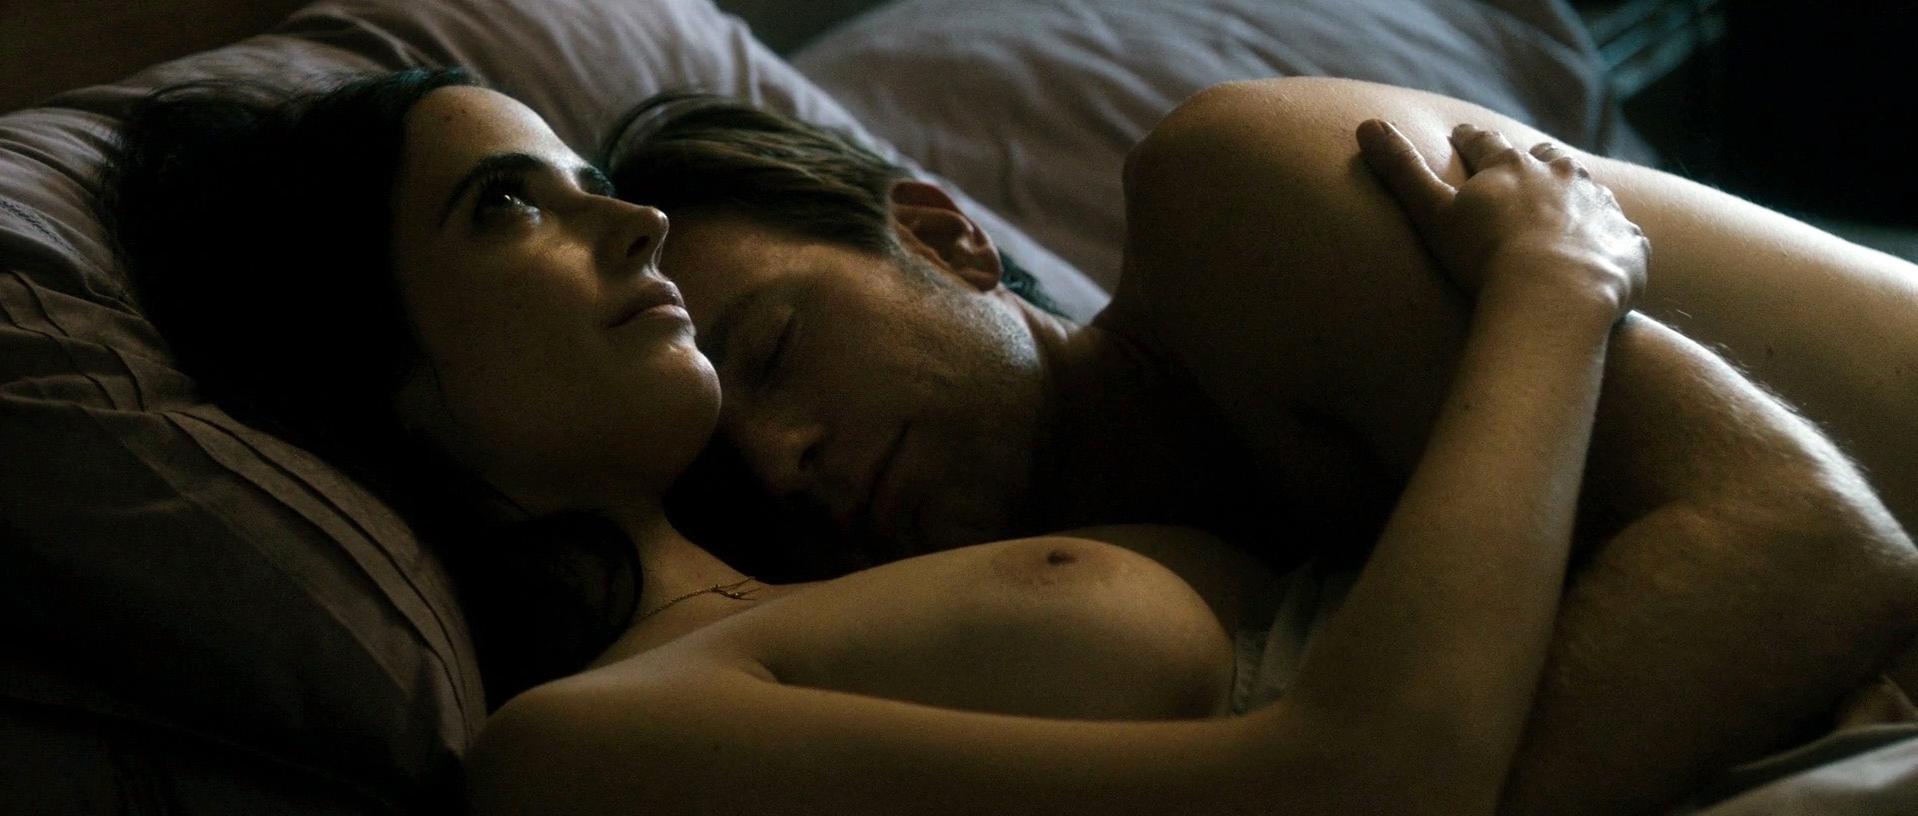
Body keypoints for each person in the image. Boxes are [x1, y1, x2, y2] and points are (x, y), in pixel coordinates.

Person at [106, 70, 1908, 816]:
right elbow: (1363, 778)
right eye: (512, 208)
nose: (784, 457)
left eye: (771, 345)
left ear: (948, 233)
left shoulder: (1236, 200)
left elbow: (1813, 540)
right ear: (382, 371)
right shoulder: (616, 717)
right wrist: (1552, 294)